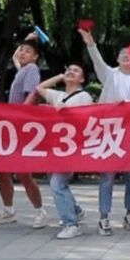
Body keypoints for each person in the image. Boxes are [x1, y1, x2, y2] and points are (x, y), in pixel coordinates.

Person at [79, 28, 130, 235]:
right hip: (110, 132)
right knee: (107, 177)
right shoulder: (110, 75)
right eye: (122, 54)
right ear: (117, 58)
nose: (126, 56)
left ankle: (129, 213)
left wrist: (126, 104)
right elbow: (98, 61)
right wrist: (91, 44)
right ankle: (104, 217)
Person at [0, 36, 49, 229]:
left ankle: (40, 211)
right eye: (22, 49)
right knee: (2, 169)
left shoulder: (31, 70)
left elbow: (33, 94)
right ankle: (8, 210)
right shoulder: (22, 69)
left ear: (35, 57)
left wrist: (20, 116)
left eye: (28, 51)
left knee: (23, 173)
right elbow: (15, 57)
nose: (22, 53)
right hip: (12, 125)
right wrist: (27, 40)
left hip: (20, 126)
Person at [38, 64, 94, 239]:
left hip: (73, 148)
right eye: (69, 69)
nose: (71, 72)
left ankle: (71, 224)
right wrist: (59, 77)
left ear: (82, 79)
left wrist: (67, 112)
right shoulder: (58, 95)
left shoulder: (84, 96)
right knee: (57, 183)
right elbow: (40, 88)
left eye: (76, 71)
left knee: (57, 184)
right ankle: (75, 210)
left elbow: (86, 120)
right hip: (56, 148)